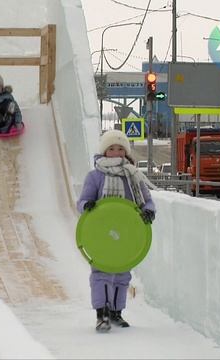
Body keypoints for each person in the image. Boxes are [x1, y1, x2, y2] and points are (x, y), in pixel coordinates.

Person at [76, 129, 156, 332]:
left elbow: (147, 200)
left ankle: (116, 312)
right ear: (104, 151)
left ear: (126, 152)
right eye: (111, 148)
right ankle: (101, 314)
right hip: (101, 233)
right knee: (102, 273)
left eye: (121, 148)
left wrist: (148, 212)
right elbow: (83, 200)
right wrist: (88, 206)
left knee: (122, 274)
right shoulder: (95, 176)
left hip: (126, 233)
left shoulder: (133, 176)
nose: (116, 151)